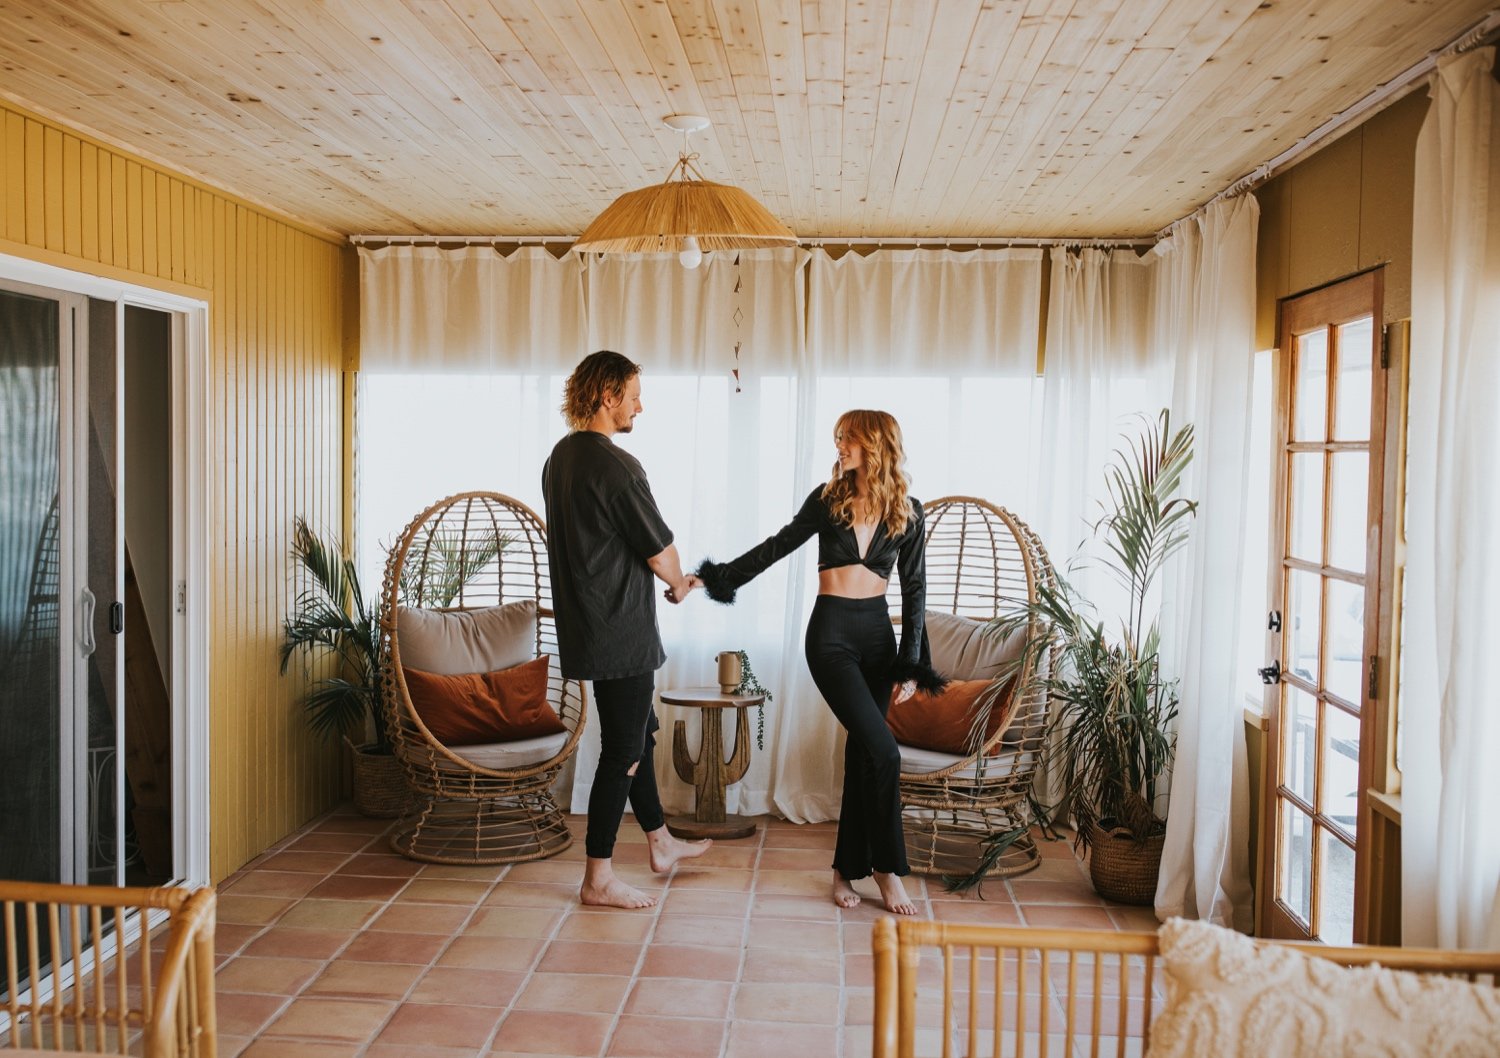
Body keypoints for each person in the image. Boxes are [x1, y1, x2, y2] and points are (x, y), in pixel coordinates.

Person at [696, 410, 944, 915]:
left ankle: (842, 871)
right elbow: (777, 546)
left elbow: (915, 590)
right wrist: (718, 578)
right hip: (830, 637)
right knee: (886, 751)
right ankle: (888, 870)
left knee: (866, 754)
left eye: (847, 440)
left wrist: (910, 663)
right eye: (838, 440)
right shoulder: (827, 499)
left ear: (873, 445)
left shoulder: (907, 511)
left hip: (878, 639)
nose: (839, 448)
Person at [542, 350, 709, 909]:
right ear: (608, 396)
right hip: (621, 627)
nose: (641, 404)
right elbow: (659, 549)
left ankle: (660, 842)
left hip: (590, 623)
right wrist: (681, 583)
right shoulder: (618, 466)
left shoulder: (560, 458)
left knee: (640, 733)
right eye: (634, 394)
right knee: (624, 752)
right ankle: (598, 877)